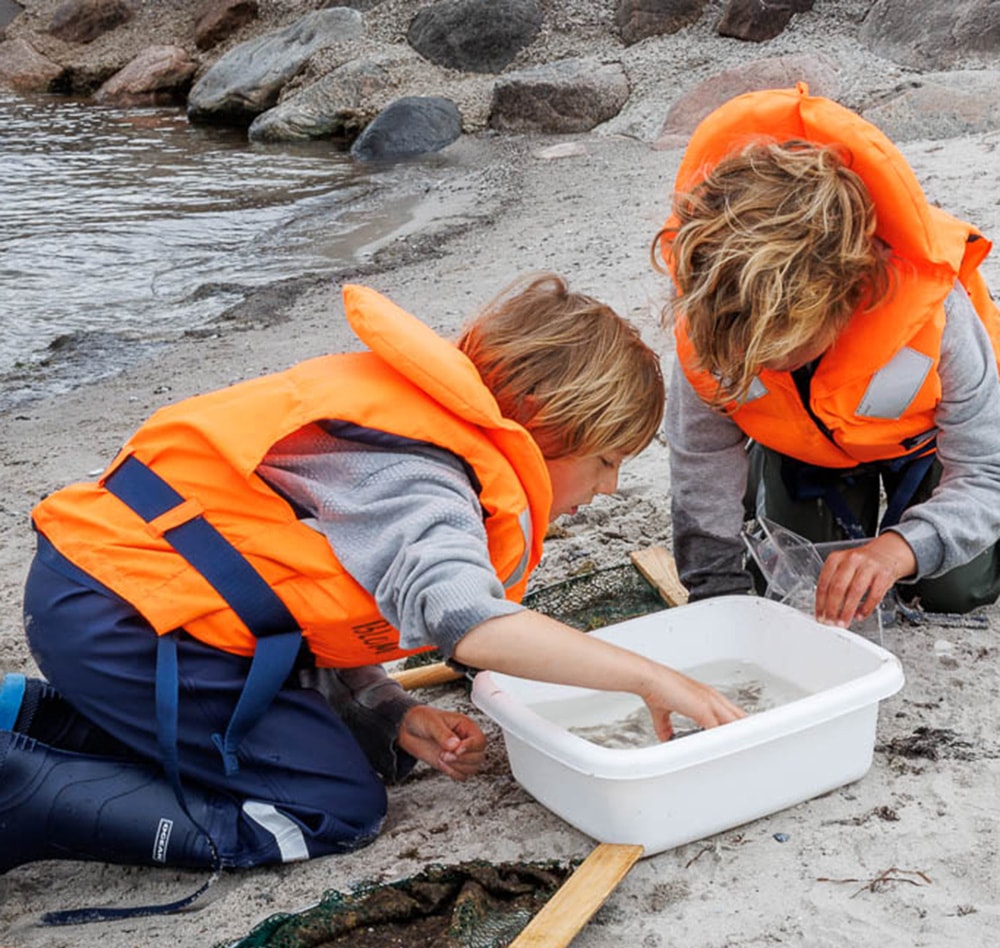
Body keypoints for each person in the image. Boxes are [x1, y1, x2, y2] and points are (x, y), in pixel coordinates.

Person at [0, 273, 744, 886]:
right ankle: (23, 792)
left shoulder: (412, 430)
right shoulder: (416, 476)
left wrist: (388, 710)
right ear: (545, 422)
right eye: (608, 460)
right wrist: (649, 678)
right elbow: (473, 624)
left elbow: (286, 597)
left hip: (99, 594)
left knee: (359, 747)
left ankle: (27, 716)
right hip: (130, 623)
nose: (611, 489)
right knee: (331, 806)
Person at [654, 83, 1000, 630]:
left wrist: (898, 549)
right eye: (747, 358)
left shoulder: (938, 312)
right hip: (803, 444)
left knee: (956, 588)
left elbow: (987, 471)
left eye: (781, 350)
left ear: (850, 292)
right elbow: (700, 463)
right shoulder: (712, 314)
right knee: (797, 586)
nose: (762, 365)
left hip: (928, 441)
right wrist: (715, 596)